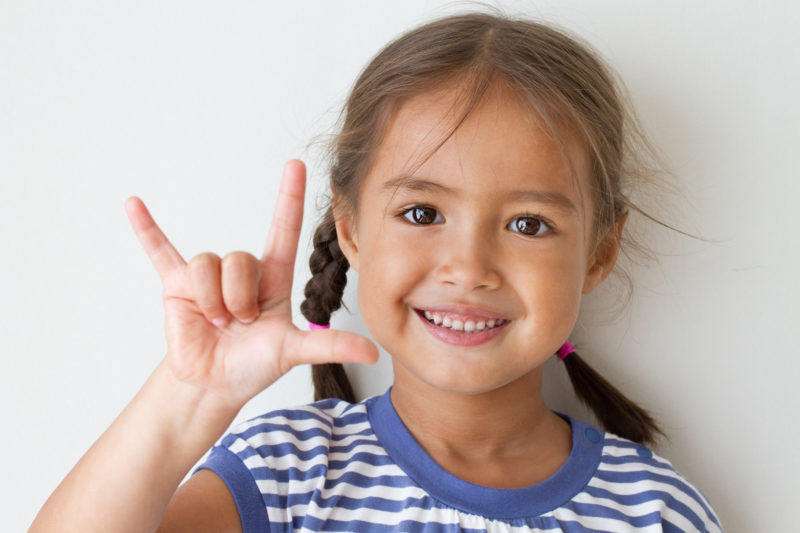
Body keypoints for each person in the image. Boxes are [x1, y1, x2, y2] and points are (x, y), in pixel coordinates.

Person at [29, 12, 722, 533]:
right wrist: (186, 398)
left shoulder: (654, 509)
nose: (468, 267)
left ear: (600, 251)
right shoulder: (288, 475)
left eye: (528, 224)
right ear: (353, 226)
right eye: (422, 213)